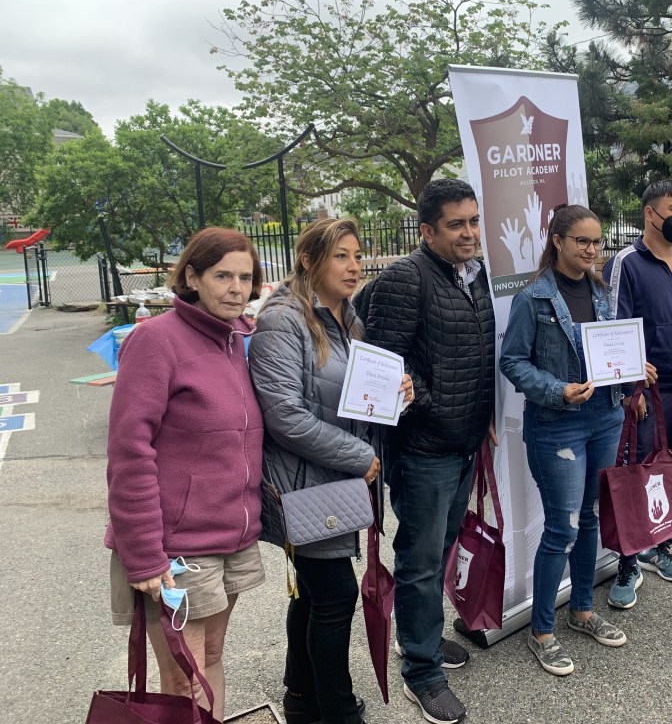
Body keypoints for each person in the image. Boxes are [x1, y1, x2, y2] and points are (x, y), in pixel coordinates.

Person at [249, 219, 414, 724]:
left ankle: (302, 698)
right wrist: (359, 457)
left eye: (357, 256)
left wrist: (397, 396)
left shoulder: (347, 316)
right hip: (305, 483)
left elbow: (351, 397)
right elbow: (284, 415)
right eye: (341, 256)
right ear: (309, 260)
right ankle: (337, 711)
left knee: (313, 593)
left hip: (336, 479)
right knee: (336, 596)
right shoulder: (284, 320)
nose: (354, 266)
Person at [105, 227, 266, 720]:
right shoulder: (156, 340)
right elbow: (129, 452)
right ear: (192, 277)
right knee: (182, 676)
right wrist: (145, 555)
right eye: (223, 276)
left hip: (232, 535)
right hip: (179, 547)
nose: (236, 289)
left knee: (211, 658)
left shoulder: (238, 339)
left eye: (245, 277)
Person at [362, 178, 496, 724]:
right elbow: (383, 362)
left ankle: (419, 636)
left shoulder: (475, 275)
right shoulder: (405, 279)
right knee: (419, 561)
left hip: (463, 442)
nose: (469, 233)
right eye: (455, 224)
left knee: (438, 551)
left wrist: (481, 414)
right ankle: (421, 672)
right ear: (427, 231)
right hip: (423, 448)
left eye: (473, 221)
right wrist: (433, 402)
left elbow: (478, 353)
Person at [501, 204, 648, 676]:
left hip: (605, 417)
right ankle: (542, 631)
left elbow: (611, 349)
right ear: (558, 240)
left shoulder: (601, 290)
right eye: (582, 241)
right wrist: (556, 390)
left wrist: (634, 368)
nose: (591, 249)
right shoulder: (533, 299)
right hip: (557, 425)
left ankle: (582, 610)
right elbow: (512, 361)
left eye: (596, 241)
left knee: (590, 518)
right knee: (561, 528)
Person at [603, 181, 672, 609]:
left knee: (669, 473)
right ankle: (627, 564)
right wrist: (629, 385)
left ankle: (660, 547)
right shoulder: (626, 263)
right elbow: (615, 325)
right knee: (637, 475)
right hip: (645, 394)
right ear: (650, 213)